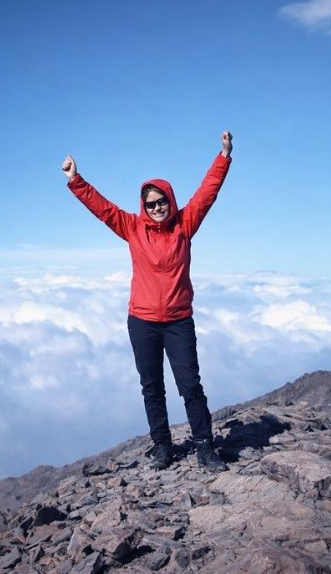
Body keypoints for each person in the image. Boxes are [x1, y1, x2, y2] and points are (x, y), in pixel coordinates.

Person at [61, 131, 233, 472]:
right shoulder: (132, 228)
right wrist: (76, 180)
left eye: (161, 201)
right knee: (152, 387)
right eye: (151, 204)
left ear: (170, 200)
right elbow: (103, 209)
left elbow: (207, 192)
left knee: (190, 385)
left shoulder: (185, 224)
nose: (156, 208)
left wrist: (224, 156)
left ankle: (205, 446)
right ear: (144, 206)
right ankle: (162, 446)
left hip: (179, 321)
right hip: (142, 322)